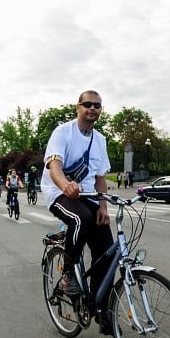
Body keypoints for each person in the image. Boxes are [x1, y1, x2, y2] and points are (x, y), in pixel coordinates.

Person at [41, 90, 114, 325]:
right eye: (88, 104)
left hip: (89, 196)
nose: (93, 108)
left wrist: (103, 205)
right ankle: (67, 274)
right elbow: (54, 166)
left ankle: (101, 311)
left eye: (98, 105)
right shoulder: (63, 132)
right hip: (59, 194)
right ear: (78, 107)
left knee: (107, 252)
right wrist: (65, 185)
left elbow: (100, 177)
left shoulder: (100, 140)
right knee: (81, 218)